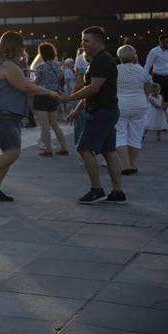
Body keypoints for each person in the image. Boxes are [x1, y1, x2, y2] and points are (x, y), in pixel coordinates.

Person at [0, 31, 60, 202]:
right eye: (22, 46)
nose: (23, 49)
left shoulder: (7, 64)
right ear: (16, 46)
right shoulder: (6, 65)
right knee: (12, 152)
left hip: (7, 114)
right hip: (0, 113)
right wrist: (51, 93)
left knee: (9, 153)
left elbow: (23, 84)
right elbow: (25, 87)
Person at [59, 26, 126, 204]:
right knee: (108, 151)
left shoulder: (102, 60)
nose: (83, 44)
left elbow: (93, 88)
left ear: (98, 42)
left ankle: (96, 190)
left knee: (84, 148)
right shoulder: (98, 59)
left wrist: (69, 98)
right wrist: (77, 109)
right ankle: (118, 192)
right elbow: (94, 90)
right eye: (82, 41)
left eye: (86, 41)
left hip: (101, 112)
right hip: (106, 110)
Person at [114, 45, 152, 175]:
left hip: (120, 105)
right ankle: (133, 163)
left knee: (120, 134)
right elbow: (148, 89)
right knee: (135, 135)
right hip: (139, 105)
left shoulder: (115, 70)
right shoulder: (141, 70)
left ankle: (125, 164)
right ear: (134, 55)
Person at [32, 42, 69, 156]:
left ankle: (48, 149)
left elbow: (37, 82)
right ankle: (64, 147)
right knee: (54, 124)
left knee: (44, 126)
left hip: (42, 96)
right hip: (53, 96)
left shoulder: (41, 66)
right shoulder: (58, 66)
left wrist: (28, 82)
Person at [144, 33, 168, 104]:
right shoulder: (154, 52)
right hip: (158, 78)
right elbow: (147, 65)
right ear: (161, 42)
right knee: (159, 98)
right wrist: (145, 78)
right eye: (167, 42)